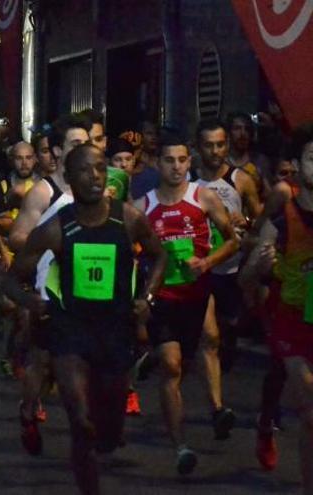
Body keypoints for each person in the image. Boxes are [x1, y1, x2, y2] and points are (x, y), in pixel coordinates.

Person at [8, 143, 167, 495]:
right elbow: (10, 278)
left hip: (115, 330)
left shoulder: (128, 218)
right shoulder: (55, 227)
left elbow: (159, 257)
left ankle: (105, 433)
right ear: (69, 177)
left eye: (100, 168)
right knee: (81, 422)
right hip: (70, 331)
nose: (95, 177)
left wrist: (147, 298)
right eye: (84, 170)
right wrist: (30, 302)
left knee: (107, 434)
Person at [133, 133, 238, 475]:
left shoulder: (203, 197)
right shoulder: (142, 207)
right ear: (157, 163)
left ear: (189, 162)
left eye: (181, 160)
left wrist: (207, 263)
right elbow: (126, 255)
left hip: (197, 295)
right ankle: (180, 447)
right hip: (161, 298)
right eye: (168, 160)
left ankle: (215, 407)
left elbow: (234, 241)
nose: (176, 167)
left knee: (199, 352)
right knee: (172, 365)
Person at [7, 114, 91, 455]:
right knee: (43, 363)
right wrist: (50, 243)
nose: (84, 150)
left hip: (89, 286)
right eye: (75, 144)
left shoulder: (97, 187)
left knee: (87, 361)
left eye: (88, 143)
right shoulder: (44, 191)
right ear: (58, 151)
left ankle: (85, 432)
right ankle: (28, 411)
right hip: (51, 288)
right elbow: (16, 237)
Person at [240, 124, 313, 489]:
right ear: (297, 164)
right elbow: (246, 279)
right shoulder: (284, 214)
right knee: (308, 406)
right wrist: (260, 266)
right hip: (293, 321)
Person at [194, 120, 262, 381]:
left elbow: (261, 220)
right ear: (199, 147)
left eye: (220, 144)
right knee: (208, 332)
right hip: (201, 264)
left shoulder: (240, 179)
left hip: (232, 265)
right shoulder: (191, 180)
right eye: (209, 145)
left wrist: (247, 222)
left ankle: (226, 349)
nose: (215, 151)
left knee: (229, 323)